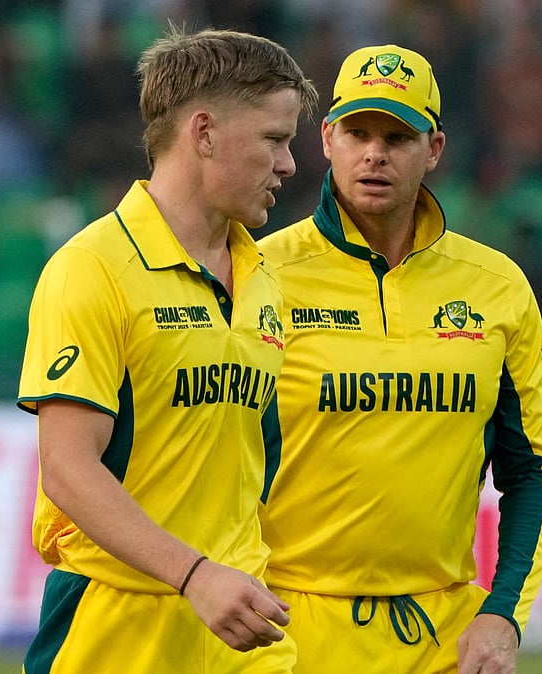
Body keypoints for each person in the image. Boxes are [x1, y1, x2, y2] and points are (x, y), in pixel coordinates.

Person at [257, 44, 542, 673]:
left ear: (434, 150)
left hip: (443, 640)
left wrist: (504, 613)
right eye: (358, 133)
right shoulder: (259, 275)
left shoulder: (497, 287)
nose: (375, 153)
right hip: (285, 631)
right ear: (327, 138)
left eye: (398, 137)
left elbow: (533, 470)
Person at [16, 27, 318, 674]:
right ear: (203, 133)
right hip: (114, 630)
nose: (289, 165)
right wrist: (194, 574)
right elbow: (67, 469)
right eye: (274, 139)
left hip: (240, 632)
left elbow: (252, 466)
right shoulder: (92, 269)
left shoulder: (264, 280)